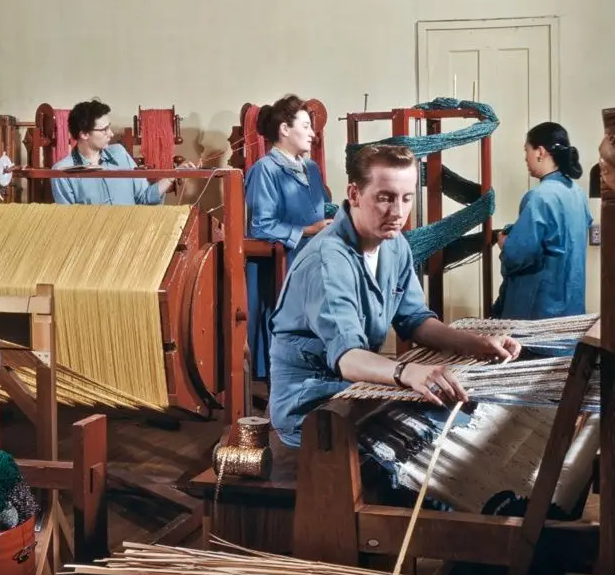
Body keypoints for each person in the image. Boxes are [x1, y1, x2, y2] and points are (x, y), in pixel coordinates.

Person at [267, 144, 522, 449]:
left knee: (464, 420)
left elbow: (414, 320)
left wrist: (478, 344)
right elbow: (347, 358)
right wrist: (407, 372)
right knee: (441, 439)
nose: (398, 212)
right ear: (354, 194)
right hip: (312, 406)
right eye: (385, 198)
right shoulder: (328, 260)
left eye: (406, 198)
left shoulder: (395, 245)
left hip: (354, 389)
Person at [245, 94, 332, 382]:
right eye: (306, 126)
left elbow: (317, 211)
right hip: (283, 267)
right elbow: (261, 225)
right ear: (284, 129)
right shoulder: (264, 170)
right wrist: (309, 230)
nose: (312, 133)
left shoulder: (312, 169)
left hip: (313, 262)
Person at [492, 122, 592, 320]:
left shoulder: (539, 197)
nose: (525, 158)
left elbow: (517, 255)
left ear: (540, 152)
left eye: (526, 150)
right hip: (571, 313)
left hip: (539, 316)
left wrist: (504, 242)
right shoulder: (577, 194)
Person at [51, 98, 195, 205]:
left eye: (110, 127)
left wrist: (174, 175)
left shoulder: (119, 153)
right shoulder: (62, 172)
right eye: (104, 130)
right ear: (84, 134)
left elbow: (144, 197)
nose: (111, 134)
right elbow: (69, 224)